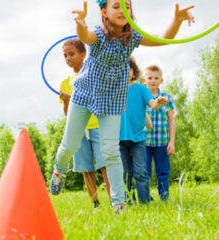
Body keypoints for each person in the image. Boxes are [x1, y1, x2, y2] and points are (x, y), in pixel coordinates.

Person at [49, 0, 194, 214]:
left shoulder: (132, 37)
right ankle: (59, 171)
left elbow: (163, 40)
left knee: (111, 152)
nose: (123, 10)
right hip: (84, 94)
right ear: (104, 12)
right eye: (117, 6)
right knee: (70, 145)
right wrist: (80, 23)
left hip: (112, 99)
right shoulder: (98, 33)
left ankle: (119, 204)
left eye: (127, 6)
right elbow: (85, 36)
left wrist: (177, 20)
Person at [59, 38, 111, 208]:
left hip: (97, 125)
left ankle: (114, 201)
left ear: (83, 54)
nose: (68, 58)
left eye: (71, 54)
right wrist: (67, 101)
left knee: (105, 164)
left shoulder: (92, 74)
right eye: (65, 55)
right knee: (85, 167)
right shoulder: (65, 83)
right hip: (79, 130)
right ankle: (95, 203)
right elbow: (68, 114)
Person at [119, 57, 167, 205]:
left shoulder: (141, 89)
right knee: (126, 173)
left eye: (128, 68)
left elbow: (153, 105)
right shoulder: (114, 90)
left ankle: (144, 202)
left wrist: (157, 102)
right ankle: (129, 201)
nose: (125, 71)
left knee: (141, 172)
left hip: (138, 138)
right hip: (119, 138)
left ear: (134, 71)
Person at [145, 65, 176, 201]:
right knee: (144, 172)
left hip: (162, 141)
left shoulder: (166, 97)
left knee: (163, 172)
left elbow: (171, 120)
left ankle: (164, 197)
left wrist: (172, 141)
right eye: (150, 78)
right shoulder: (142, 96)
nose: (153, 80)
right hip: (143, 141)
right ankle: (145, 197)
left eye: (156, 78)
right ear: (144, 80)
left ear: (161, 80)